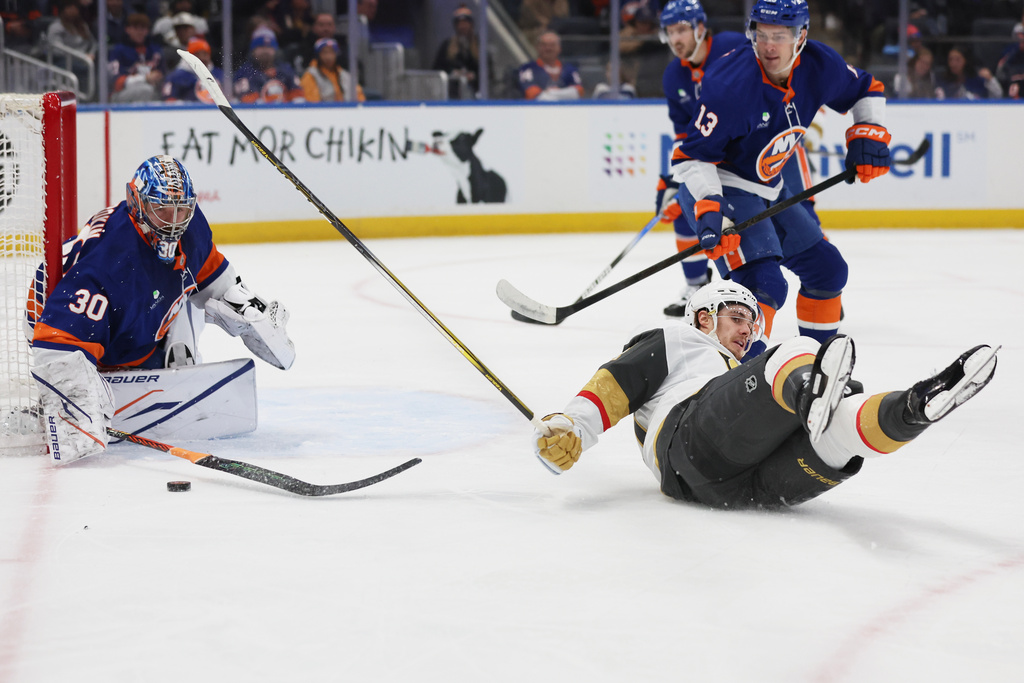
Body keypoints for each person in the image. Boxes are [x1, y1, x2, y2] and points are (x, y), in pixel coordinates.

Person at [531, 282, 999, 510]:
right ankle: (817, 400)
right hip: (690, 444)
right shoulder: (679, 339)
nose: (747, 329)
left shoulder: (734, 371)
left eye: (751, 322)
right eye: (736, 316)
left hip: (741, 488)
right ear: (702, 319)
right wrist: (571, 428)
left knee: (837, 436)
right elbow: (618, 382)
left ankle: (913, 409)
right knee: (793, 355)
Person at [30, 156, 295, 465]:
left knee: (200, 295)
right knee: (74, 376)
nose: (174, 221)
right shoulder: (106, 265)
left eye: (181, 210)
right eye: (163, 210)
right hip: (58, 319)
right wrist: (74, 404)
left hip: (137, 317)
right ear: (137, 204)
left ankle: (169, 359)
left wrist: (248, 311)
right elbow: (56, 346)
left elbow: (213, 278)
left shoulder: (189, 225)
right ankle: (99, 377)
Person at [669, 0, 890, 359]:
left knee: (828, 272)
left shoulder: (819, 64)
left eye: (780, 36)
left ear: (800, 36)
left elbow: (866, 87)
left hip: (770, 187)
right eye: (763, 34)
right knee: (765, 284)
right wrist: (709, 204)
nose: (769, 45)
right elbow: (693, 156)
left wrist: (868, 132)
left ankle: (819, 370)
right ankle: (743, 382)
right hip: (725, 187)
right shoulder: (730, 85)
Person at [654, 0, 747, 316]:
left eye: (681, 29)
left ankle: (820, 285)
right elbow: (684, 135)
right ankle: (695, 286)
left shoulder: (733, 46)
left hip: (752, 150)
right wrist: (672, 178)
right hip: (710, 157)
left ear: (701, 28)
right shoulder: (672, 76)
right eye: (670, 32)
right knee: (683, 202)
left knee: (798, 214)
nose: (675, 38)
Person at [234, 28, 305, 103]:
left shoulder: (286, 70)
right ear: (253, 50)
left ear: (275, 50)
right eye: (261, 47)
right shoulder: (245, 73)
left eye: (269, 47)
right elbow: (248, 102)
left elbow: (299, 98)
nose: (265, 50)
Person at [108, 12, 164, 102]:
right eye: (135, 28)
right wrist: (144, 79)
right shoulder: (118, 51)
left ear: (147, 30)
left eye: (143, 28)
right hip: (122, 94)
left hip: (153, 92)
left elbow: (164, 76)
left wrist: (158, 77)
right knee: (146, 90)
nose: (139, 32)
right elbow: (117, 83)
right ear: (127, 29)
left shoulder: (155, 50)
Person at [431, 4, 484, 99]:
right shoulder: (447, 46)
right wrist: (452, 73)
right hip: (451, 94)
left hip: (476, 95)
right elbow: (436, 70)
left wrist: (473, 75)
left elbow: (488, 73)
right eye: (459, 23)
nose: (462, 26)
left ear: (471, 24)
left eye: (465, 23)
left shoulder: (480, 46)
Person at [517, 30, 583, 101]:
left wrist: (552, 92)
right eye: (544, 45)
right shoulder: (528, 68)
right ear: (537, 47)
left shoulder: (569, 69)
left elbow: (579, 91)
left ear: (559, 48)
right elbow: (531, 93)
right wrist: (565, 93)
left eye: (552, 45)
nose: (548, 48)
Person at [300, 36, 365, 102]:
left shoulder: (345, 75)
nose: (329, 57)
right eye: (324, 52)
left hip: (347, 110)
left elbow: (360, 99)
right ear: (318, 55)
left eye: (332, 52)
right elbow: (312, 102)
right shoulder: (311, 75)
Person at [162, 36, 224, 102]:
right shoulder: (175, 77)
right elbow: (169, 101)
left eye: (205, 54)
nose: (202, 57)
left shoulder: (219, 74)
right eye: (197, 54)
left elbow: (230, 98)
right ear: (189, 56)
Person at [934, 45, 1002, 100]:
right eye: (950, 59)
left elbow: (997, 96)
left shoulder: (978, 80)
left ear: (966, 61)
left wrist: (990, 79)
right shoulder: (942, 81)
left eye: (958, 60)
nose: (953, 64)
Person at [996, 23, 1024, 98]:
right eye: (1019, 35)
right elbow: (1001, 67)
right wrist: (1018, 49)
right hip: (1012, 78)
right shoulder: (1010, 49)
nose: (1021, 37)